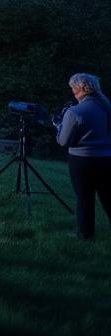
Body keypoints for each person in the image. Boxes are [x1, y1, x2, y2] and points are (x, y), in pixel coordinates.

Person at [56, 72, 111, 240]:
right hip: (107, 158)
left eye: (73, 88)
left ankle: (85, 234)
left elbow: (64, 141)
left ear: (79, 89)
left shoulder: (75, 111)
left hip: (82, 160)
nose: (72, 91)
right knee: (108, 197)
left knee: (85, 198)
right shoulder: (107, 106)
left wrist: (58, 127)